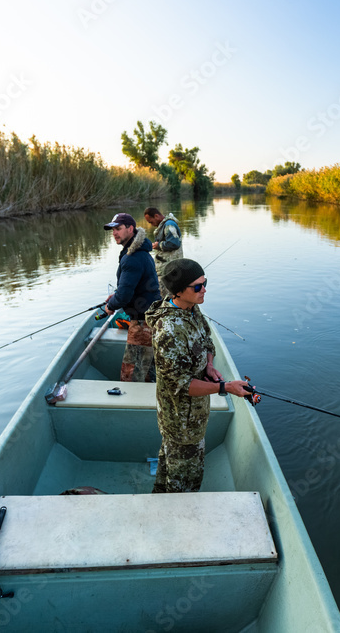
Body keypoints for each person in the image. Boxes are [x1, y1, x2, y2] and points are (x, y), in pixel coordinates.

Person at [145, 258, 251, 493]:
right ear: (179, 291)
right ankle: (175, 519)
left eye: (205, 283)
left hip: (194, 417)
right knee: (183, 484)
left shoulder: (191, 308)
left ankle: (160, 497)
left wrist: (209, 366)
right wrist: (225, 388)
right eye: (197, 286)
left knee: (171, 466)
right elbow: (182, 384)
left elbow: (207, 341)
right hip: (180, 422)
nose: (204, 290)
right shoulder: (169, 331)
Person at [102, 212, 160, 382]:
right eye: (112, 230)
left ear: (130, 228)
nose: (114, 233)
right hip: (150, 319)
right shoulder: (140, 252)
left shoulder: (132, 257)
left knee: (132, 372)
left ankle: (134, 401)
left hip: (142, 323)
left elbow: (124, 296)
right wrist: (117, 294)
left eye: (118, 229)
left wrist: (111, 305)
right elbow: (133, 287)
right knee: (149, 367)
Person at [143, 207, 184, 299]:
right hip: (166, 267)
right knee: (164, 292)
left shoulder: (169, 225)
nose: (151, 224)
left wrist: (158, 245)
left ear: (156, 216)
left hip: (170, 268)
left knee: (168, 294)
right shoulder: (165, 225)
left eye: (151, 222)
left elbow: (174, 243)